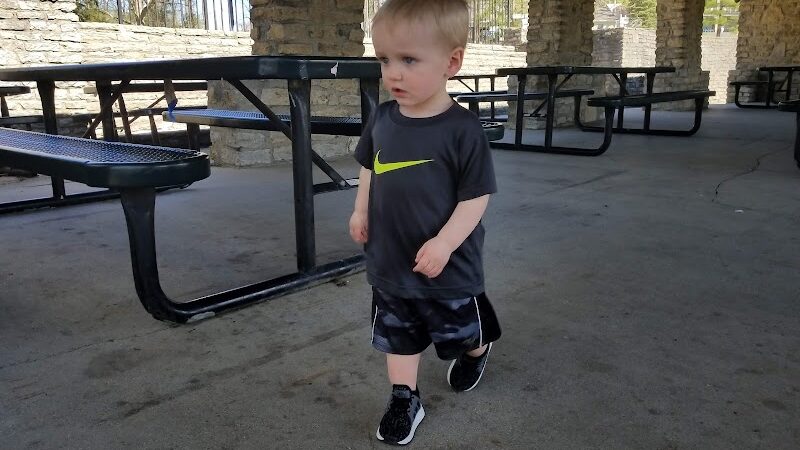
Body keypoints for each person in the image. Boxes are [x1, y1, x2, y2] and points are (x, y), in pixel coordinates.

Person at [349, 0, 501, 445]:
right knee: (398, 332)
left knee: (459, 332)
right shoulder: (383, 118)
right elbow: (369, 167)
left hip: (448, 264)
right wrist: (361, 209)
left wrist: (444, 244)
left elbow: (476, 197)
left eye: (408, 60)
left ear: (451, 62)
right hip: (391, 260)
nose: (392, 73)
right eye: (384, 60)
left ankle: (478, 348)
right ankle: (404, 397)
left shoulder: (463, 129)